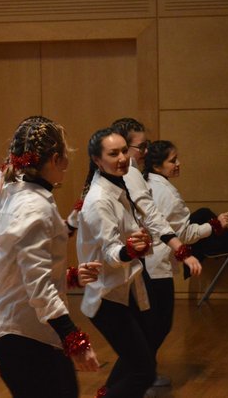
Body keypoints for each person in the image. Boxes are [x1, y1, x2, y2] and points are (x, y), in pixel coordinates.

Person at [0, 117, 100, 398]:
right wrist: (75, 339)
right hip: (22, 335)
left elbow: (18, 265)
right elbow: (36, 284)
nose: (67, 165)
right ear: (55, 159)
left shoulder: (22, 195)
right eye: (65, 157)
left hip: (22, 332)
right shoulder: (32, 206)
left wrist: (68, 276)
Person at [110, 118, 201, 391]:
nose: (146, 152)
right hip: (127, 263)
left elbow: (150, 217)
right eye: (142, 146)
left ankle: (135, 378)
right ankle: (134, 379)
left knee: (147, 329)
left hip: (133, 260)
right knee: (145, 330)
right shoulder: (129, 174)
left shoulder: (132, 174)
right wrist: (181, 249)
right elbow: (153, 217)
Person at [77, 127, 155, 398]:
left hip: (123, 290)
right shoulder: (99, 199)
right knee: (143, 371)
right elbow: (112, 252)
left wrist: (139, 244)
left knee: (137, 365)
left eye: (124, 151)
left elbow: (125, 241)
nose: (123, 158)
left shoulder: (117, 187)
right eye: (113, 153)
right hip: (107, 297)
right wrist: (131, 250)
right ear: (97, 160)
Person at [143, 140, 228, 273]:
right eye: (173, 161)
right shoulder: (168, 194)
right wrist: (215, 225)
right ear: (156, 167)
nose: (179, 163)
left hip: (146, 260)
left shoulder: (145, 183)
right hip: (159, 264)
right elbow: (183, 234)